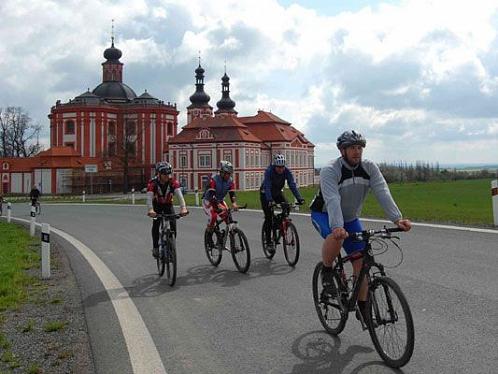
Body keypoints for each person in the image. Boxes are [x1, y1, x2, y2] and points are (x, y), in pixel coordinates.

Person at [310, 130, 411, 324]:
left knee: (361, 262)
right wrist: (337, 226)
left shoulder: (369, 168)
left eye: (359, 148)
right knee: (337, 237)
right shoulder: (331, 170)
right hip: (324, 214)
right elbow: (332, 199)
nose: (357, 152)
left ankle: (363, 307)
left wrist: (397, 219)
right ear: (342, 150)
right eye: (352, 148)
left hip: (350, 218)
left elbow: (382, 191)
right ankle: (328, 271)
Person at [260, 153, 305, 252]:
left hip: (277, 192)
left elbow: (292, 185)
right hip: (265, 194)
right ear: (274, 166)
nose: (280, 169)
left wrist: (299, 198)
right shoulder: (269, 171)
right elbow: (267, 186)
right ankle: (268, 242)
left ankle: (279, 224)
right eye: (278, 167)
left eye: (282, 167)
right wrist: (270, 200)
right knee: (268, 217)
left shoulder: (287, 172)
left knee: (287, 206)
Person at [147, 161, 188, 258]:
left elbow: (180, 196)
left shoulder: (173, 182)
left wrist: (183, 208)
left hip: (168, 205)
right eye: (164, 174)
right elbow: (149, 198)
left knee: (173, 223)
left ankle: (171, 246)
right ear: (159, 174)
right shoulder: (153, 183)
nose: (167, 176)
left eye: (168, 173)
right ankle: (156, 247)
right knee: (156, 224)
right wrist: (150, 210)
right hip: (157, 205)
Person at [202, 161, 238, 231]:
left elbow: (232, 193)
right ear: (221, 172)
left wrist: (234, 203)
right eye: (227, 173)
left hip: (220, 200)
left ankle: (231, 236)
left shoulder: (230, 181)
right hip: (208, 201)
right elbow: (212, 194)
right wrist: (218, 204)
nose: (228, 176)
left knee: (228, 218)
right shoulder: (213, 179)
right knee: (213, 216)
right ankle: (209, 235)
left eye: (229, 174)